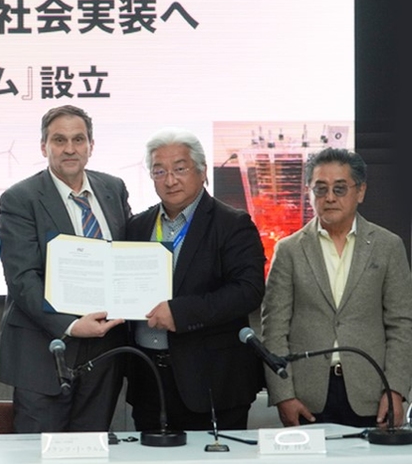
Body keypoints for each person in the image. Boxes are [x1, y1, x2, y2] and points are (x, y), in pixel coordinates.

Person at [0, 105, 132, 432]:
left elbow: (127, 258)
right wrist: (70, 326)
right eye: (59, 140)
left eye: (78, 139)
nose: (70, 148)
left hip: (105, 350)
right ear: (44, 147)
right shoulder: (20, 198)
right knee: (39, 452)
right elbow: (22, 278)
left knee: (92, 448)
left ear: (91, 146)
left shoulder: (113, 188)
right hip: (44, 351)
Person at [262, 148, 412, 428]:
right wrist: (283, 395)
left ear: (360, 191)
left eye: (340, 188)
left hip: (372, 393)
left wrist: (395, 390)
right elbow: (274, 330)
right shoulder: (289, 250)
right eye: (320, 189)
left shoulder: (388, 246)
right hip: (306, 397)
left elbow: (402, 325)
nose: (329, 197)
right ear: (309, 193)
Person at [126, 128, 265, 431]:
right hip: (148, 379)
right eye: (159, 171)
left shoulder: (232, 224)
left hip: (212, 382)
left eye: (180, 169)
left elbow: (248, 291)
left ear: (202, 172)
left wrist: (180, 313)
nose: (170, 180)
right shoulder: (137, 226)